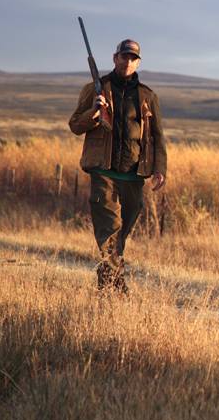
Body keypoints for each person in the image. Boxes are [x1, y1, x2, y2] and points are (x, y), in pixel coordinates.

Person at [68, 38, 167, 292]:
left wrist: (159, 169)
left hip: (134, 172)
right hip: (103, 169)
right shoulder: (96, 88)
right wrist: (94, 112)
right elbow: (75, 125)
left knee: (127, 221)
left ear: (138, 62)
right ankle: (117, 282)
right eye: (124, 56)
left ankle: (108, 273)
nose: (128, 61)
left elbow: (157, 136)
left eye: (133, 58)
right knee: (108, 224)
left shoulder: (147, 95)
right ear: (115, 58)